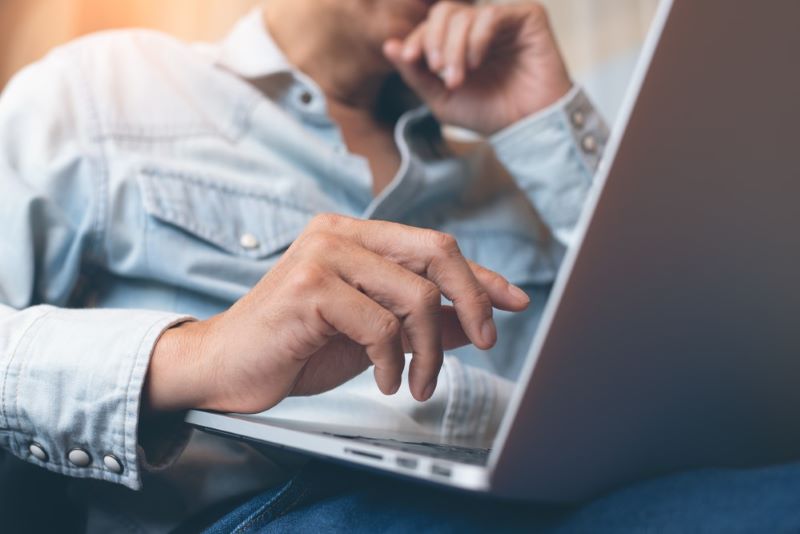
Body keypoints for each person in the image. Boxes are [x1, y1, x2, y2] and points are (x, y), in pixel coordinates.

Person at [5, 1, 796, 532]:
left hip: (555, 506)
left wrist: (551, 127)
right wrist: (199, 355)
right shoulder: (102, 91)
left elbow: (716, 389)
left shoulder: (513, 170)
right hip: (278, 511)